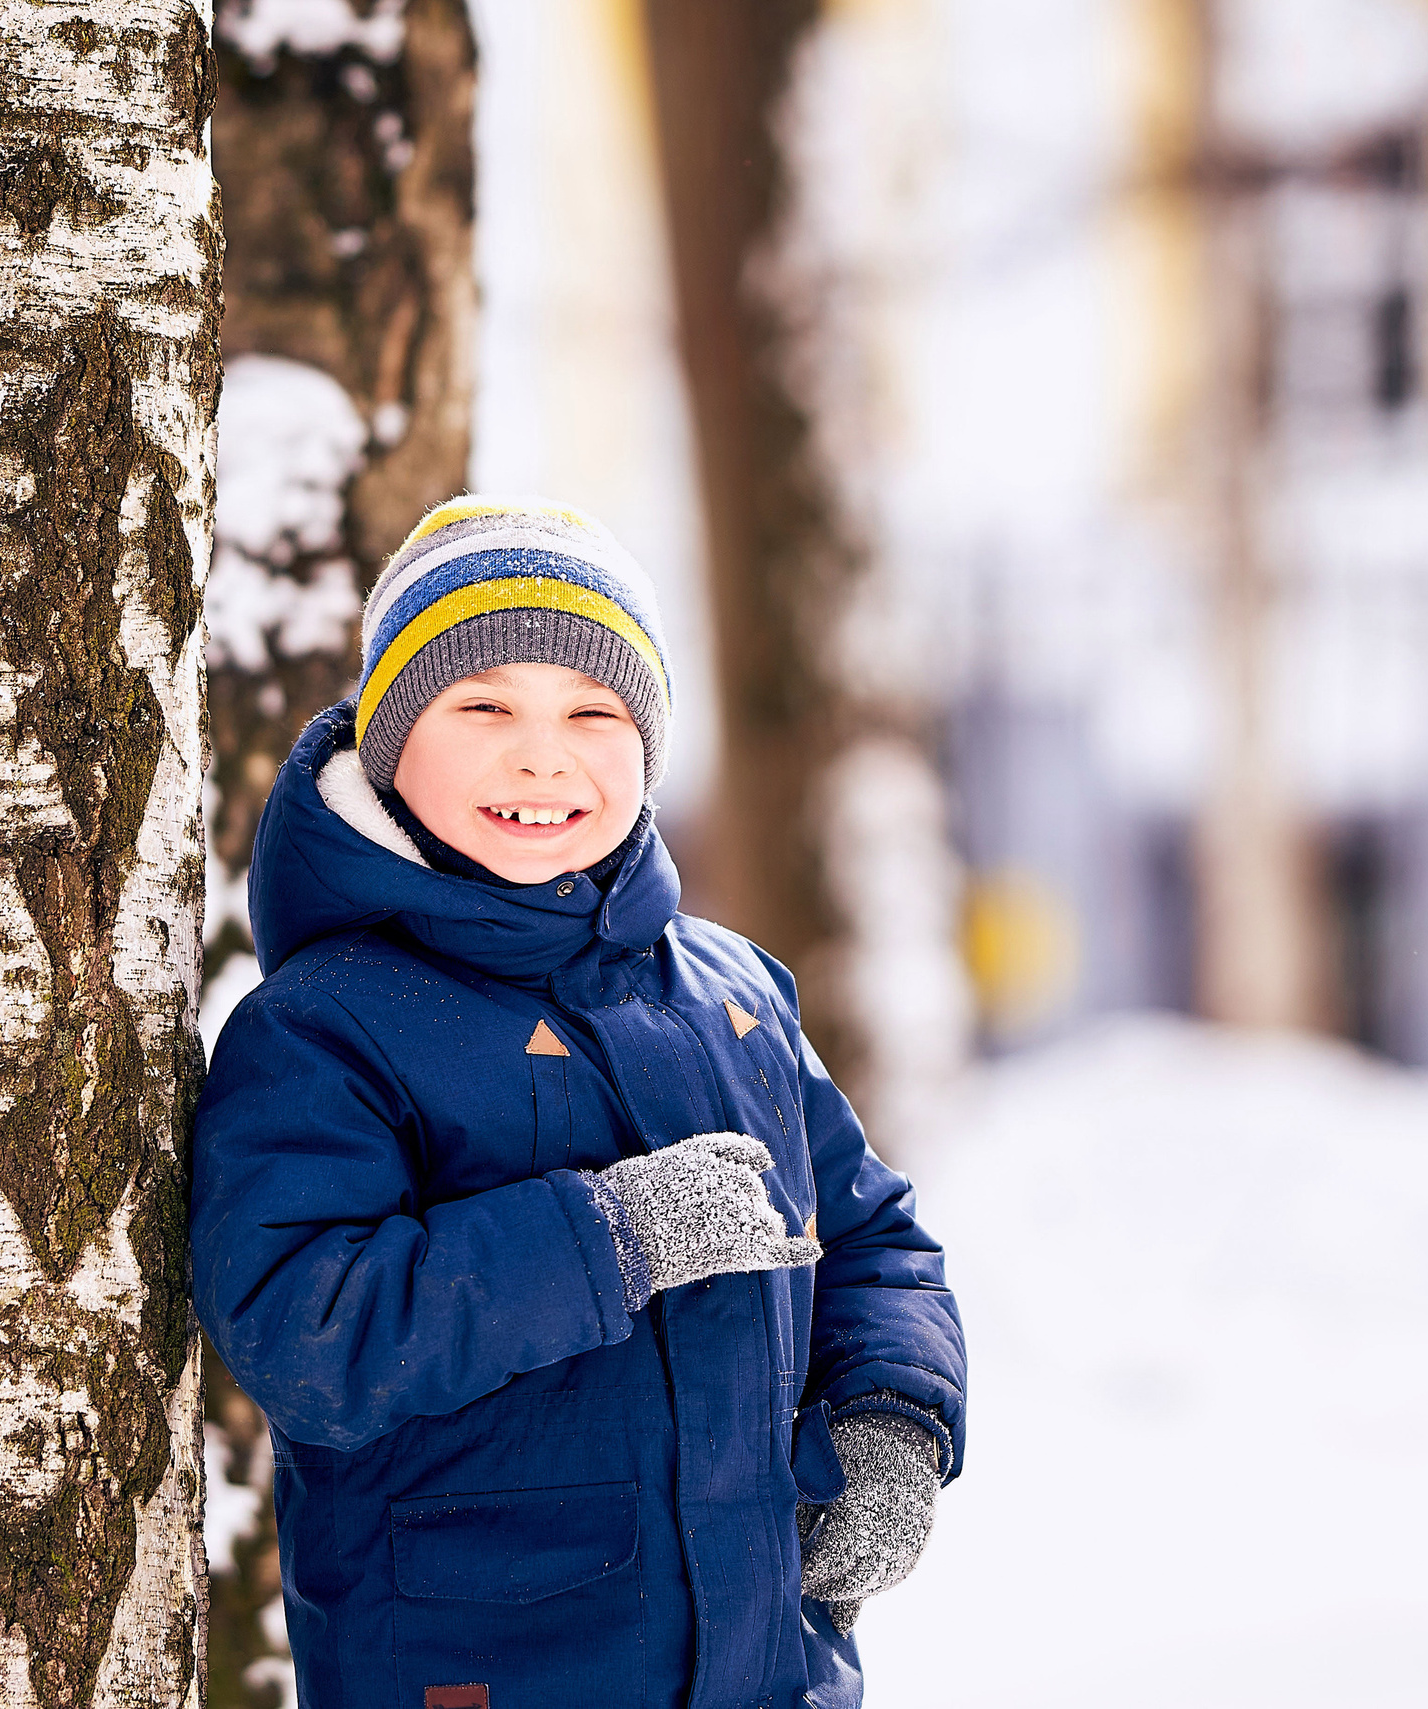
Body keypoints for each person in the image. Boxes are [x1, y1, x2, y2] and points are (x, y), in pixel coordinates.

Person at [190, 497, 968, 1709]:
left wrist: (891, 1420)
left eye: (593, 711)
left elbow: (869, 1233)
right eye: (484, 705)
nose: (542, 754)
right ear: (392, 740)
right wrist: (607, 1238)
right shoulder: (325, 1024)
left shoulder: (734, 994)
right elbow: (305, 1324)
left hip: (764, 1666)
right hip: (482, 1663)